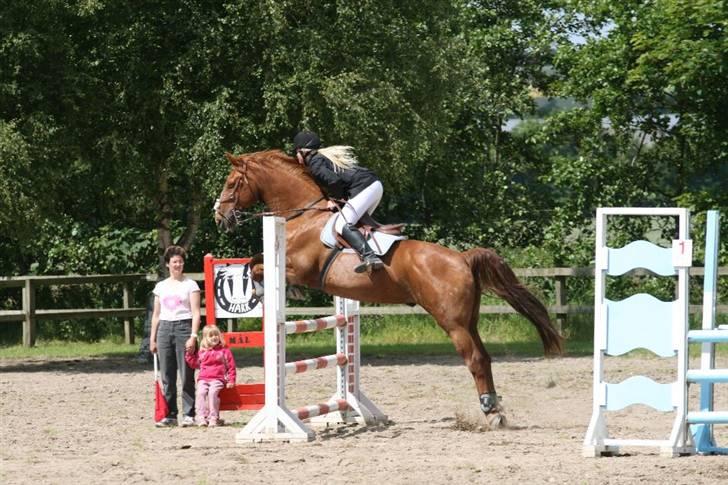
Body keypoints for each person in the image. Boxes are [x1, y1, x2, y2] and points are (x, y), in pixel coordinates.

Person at [292, 130, 384, 273]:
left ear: (302, 152)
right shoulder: (320, 158)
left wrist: (335, 201)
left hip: (366, 188)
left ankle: (370, 256)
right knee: (356, 226)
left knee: (342, 224)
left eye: (296, 153)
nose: (296, 157)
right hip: (373, 186)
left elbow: (334, 181)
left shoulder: (315, 163)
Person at [149, 245, 200, 427]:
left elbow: (196, 313)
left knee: (187, 374)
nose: (177, 265)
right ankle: (170, 413)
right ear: (168, 265)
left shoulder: (190, 285)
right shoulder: (160, 286)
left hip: (183, 327)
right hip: (164, 329)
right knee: (167, 374)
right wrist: (152, 338)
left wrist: (193, 336)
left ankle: (189, 413)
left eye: (180, 261)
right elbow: (156, 314)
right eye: (174, 262)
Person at [184, 324, 236, 427]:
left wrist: (231, 380)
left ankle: (213, 417)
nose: (214, 337)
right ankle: (201, 417)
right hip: (203, 379)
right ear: (205, 338)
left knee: (212, 393)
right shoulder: (202, 352)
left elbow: (231, 367)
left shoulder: (224, 351)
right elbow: (195, 363)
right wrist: (189, 355)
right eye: (211, 335)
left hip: (218, 379)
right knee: (200, 393)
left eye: (216, 335)